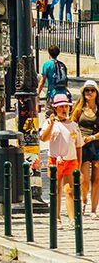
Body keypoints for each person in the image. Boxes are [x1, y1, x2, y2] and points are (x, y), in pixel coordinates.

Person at [43, 93, 83, 224]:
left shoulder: (73, 125)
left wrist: (79, 163)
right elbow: (43, 137)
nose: (64, 109)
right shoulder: (50, 123)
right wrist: (51, 123)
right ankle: (57, 217)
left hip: (70, 160)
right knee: (55, 190)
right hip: (55, 160)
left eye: (66, 106)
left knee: (69, 190)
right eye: (60, 107)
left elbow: (78, 145)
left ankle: (72, 218)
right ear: (55, 108)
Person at [73, 80, 99, 218]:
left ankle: (94, 210)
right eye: (87, 90)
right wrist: (78, 138)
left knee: (96, 179)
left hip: (97, 145)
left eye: (92, 90)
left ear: (96, 93)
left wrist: (93, 137)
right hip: (82, 146)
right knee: (83, 179)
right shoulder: (79, 109)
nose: (89, 93)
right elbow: (72, 125)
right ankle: (84, 201)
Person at [39, 44, 70, 109]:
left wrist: (37, 93)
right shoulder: (62, 65)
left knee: (50, 115)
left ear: (49, 53)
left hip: (52, 93)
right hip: (63, 94)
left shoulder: (47, 64)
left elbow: (42, 81)